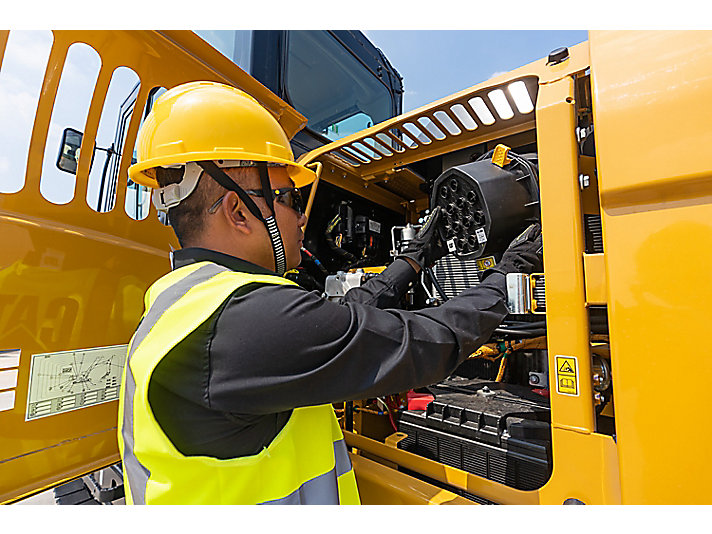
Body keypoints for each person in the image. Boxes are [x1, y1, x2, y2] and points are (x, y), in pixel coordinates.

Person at [117, 81, 543, 505]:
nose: (302, 217)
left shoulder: (188, 305)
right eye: (288, 198)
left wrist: (410, 261)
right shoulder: (240, 321)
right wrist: (508, 277)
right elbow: (420, 343)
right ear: (238, 211)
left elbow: (338, 317)